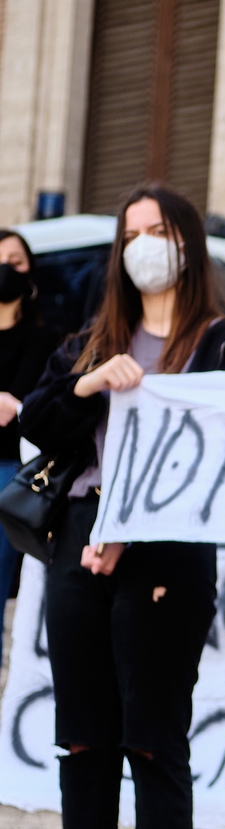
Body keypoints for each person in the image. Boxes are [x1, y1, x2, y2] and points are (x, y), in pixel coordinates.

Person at [19, 186, 225, 828]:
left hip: (167, 551)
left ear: (188, 243)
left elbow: (223, 456)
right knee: (83, 740)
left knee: (152, 741)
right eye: (133, 235)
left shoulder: (220, 344)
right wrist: (89, 383)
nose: (144, 246)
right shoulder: (91, 341)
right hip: (78, 540)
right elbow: (38, 421)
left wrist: (130, 526)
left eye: (159, 231)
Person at [0, 230, 61, 663]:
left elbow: (26, 407)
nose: (6, 268)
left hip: (14, 470)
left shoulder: (47, 339)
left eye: (16, 260)